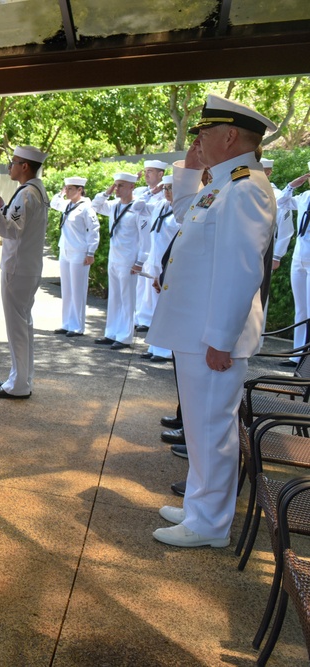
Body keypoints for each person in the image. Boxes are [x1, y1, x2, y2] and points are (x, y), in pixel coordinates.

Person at [148, 95, 277, 548]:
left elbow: (241, 271)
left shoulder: (247, 189)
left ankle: (210, 525)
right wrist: (186, 170)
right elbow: (187, 215)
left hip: (212, 335)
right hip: (196, 329)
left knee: (212, 429)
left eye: (205, 133)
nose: (198, 139)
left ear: (230, 137)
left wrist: (221, 339)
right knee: (200, 428)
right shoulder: (223, 185)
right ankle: (199, 506)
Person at [0, 146, 49, 399]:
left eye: (13, 162)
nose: (9, 166)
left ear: (24, 166)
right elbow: (19, 223)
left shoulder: (26, 194)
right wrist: (2, 208)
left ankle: (18, 384)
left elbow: (12, 231)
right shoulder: (35, 191)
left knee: (17, 328)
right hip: (28, 268)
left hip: (17, 269)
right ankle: (21, 377)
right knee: (24, 325)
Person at [91, 173, 149, 350]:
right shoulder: (114, 206)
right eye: (116, 185)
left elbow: (145, 239)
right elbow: (95, 205)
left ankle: (124, 337)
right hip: (114, 258)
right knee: (114, 297)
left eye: (121, 185)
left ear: (132, 186)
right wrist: (108, 190)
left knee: (127, 298)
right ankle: (111, 333)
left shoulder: (139, 208)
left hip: (129, 259)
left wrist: (139, 261)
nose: (117, 188)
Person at [49, 176, 99, 338]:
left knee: (78, 289)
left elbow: (94, 230)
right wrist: (61, 193)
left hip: (80, 251)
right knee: (67, 289)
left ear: (80, 190)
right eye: (66, 188)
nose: (67, 191)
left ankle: (77, 326)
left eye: (71, 188)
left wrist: (91, 252)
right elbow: (54, 203)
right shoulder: (67, 205)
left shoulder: (86, 208)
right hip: (65, 250)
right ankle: (67, 324)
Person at [139, 175, 178, 363]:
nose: (167, 191)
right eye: (166, 188)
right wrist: (151, 191)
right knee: (155, 309)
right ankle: (155, 346)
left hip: (170, 264)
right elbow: (137, 207)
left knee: (167, 309)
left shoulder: (182, 211)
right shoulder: (160, 205)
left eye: (171, 188)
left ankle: (166, 350)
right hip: (155, 263)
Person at [276, 164, 310, 366]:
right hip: (299, 258)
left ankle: (307, 360)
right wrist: (291, 185)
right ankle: (297, 355)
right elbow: (281, 202)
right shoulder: (305, 197)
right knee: (301, 309)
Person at [133, 160, 169, 333]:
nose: (147, 174)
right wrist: (149, 193)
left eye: (151, 171)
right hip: (144, 244)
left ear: (161, 174)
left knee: (154, 287)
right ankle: (141, 317)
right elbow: (136, 207)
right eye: (146, 171)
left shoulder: (165, 198)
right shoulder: (143, 192)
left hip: (157, 246)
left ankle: (150, 321)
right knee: (142, 286)